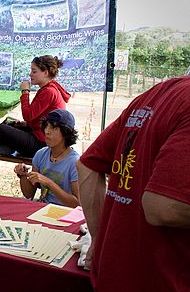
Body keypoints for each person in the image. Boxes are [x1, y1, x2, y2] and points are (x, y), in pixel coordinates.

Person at [76, 77, 190, 291]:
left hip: (113, 274)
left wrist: (99, 240)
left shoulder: (152, 96)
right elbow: (164, 208)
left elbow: (87, 166)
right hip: (161, 280)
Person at [0, 55, 71, 157]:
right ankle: (5, 144)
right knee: (8, 124)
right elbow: (37, 118)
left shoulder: (49, 91)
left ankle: (7, 147)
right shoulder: (49, 88)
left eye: (34, 71)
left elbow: (28, 116)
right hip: (40, 135)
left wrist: (25, 92)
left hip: (43, 144)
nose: (30, 74)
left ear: (45, 73)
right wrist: (25, 124)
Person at [14, 109, 80, 207]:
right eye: (46, 126)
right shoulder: (41, 155)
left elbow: (77, 204)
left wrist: (48, 182)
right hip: (43, 209)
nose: (47, 131)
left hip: (65, 214)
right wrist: (23, 175)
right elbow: (29, 194)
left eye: (54, 128)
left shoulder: (75, 163)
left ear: (66, 134)